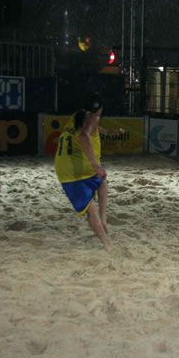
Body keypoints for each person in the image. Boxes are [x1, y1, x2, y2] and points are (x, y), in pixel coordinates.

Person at [54, 93, 122, 250]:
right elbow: (84, 135)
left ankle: (103, 220)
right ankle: (106, 243)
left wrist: (107, 132)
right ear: (99, 110)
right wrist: (96, 165)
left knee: (102, 182)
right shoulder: (93, 118)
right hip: (73, 171)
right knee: (92, 209)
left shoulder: (77, 116)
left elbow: (90, 127)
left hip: (68, 168)